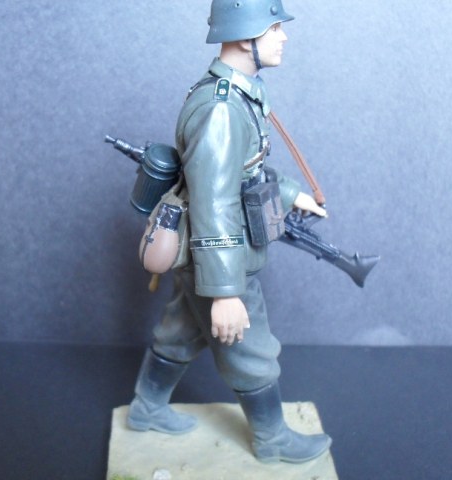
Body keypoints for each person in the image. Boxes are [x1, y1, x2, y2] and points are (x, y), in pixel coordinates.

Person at [127, 0, 332, 464]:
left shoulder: (239, 95)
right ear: (245, 35)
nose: (283, 37)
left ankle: (146, 408)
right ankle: (273, 440)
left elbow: (244, 172)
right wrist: (225, 292)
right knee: (251, 348)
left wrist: (290, 194)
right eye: (274, 28)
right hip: (222, 257)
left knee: (181, 330)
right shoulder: (222, 108)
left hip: (201, 254)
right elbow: (213, 201)